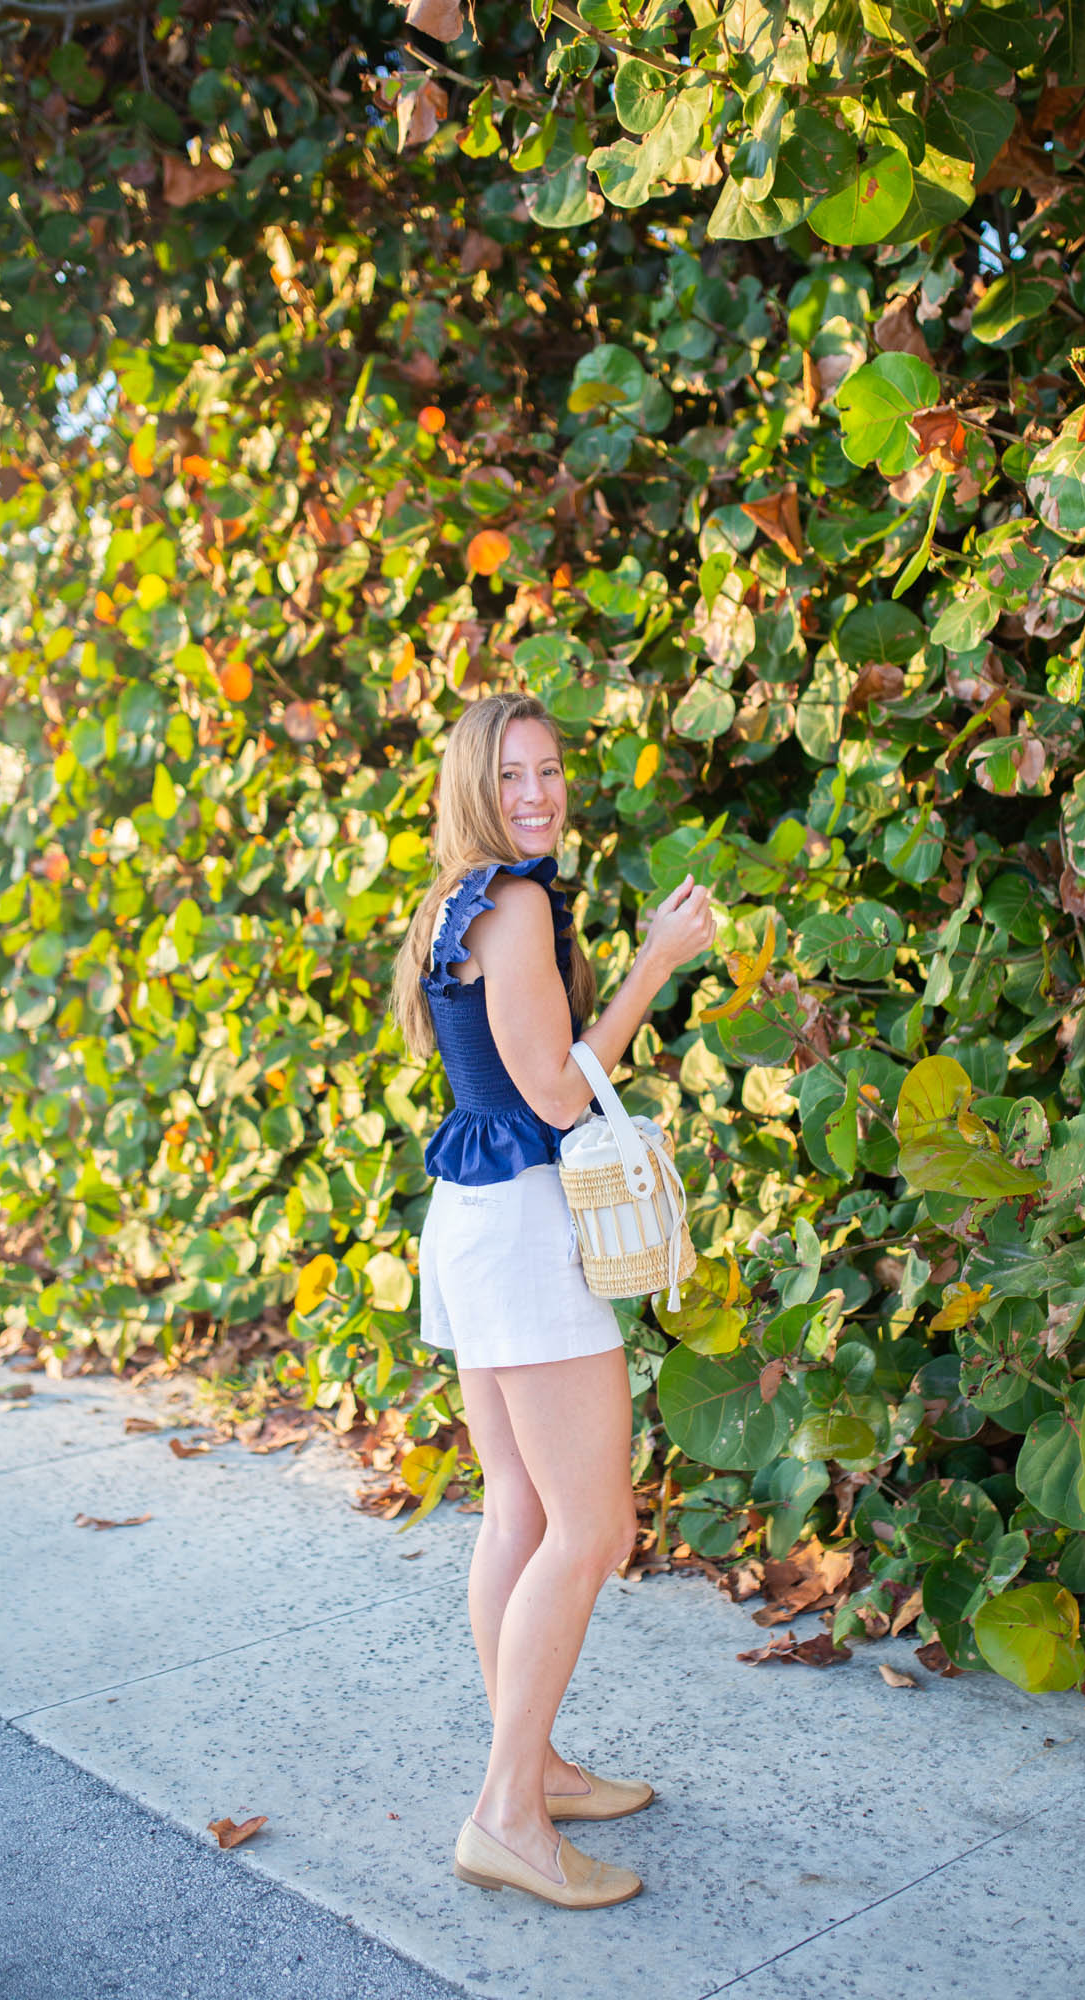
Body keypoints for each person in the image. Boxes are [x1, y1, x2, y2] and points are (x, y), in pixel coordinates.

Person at [390, 691, 715, 1910]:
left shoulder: (455, 901)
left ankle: (536, 1769)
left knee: (518, 1509)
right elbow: (560, 1095)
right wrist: (654, 962)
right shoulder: (516, 903)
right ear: (476, 786)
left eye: (550, 770)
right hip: (523, 1229)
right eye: (513, 774)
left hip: (470, 1224)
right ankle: (509, 1813)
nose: (538, 792)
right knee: (592, 1527)